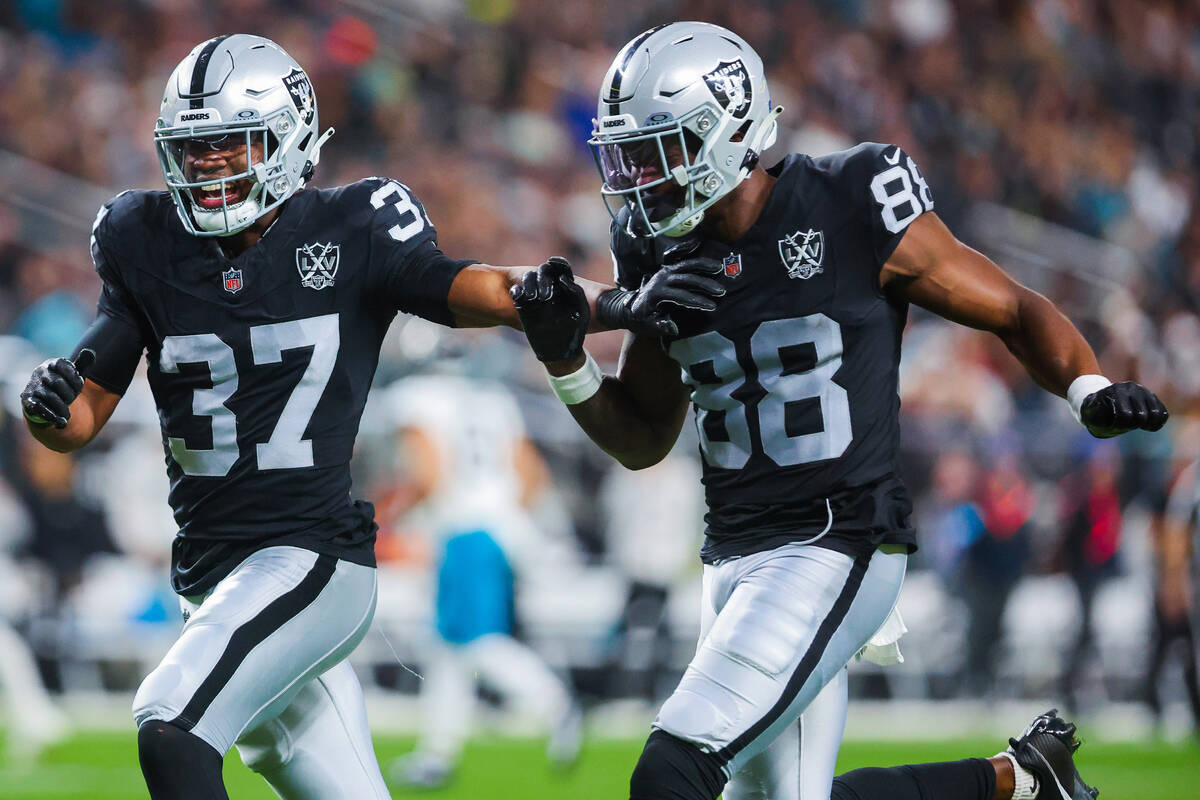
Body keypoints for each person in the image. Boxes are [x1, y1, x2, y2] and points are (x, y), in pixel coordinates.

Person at [16, 34, 717, 800]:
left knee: (170, 720)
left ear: (287, 139)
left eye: (228, 143)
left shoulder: (353, 226)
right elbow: (82, 416)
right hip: (211, 577)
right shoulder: (141, 239)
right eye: (194, 148)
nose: (209, 164)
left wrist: (613, 303)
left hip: (308, 558)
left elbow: (473, 287)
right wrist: (52, 402)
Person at [510, 21, 1167, 800]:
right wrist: (566, 361)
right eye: (629, 156)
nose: (641, 179)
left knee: (669, 774)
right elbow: (645, 436)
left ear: (728, 129)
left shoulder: (851, 198)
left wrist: (1086, 389)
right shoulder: (655, 246)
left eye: (659, 152)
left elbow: (1012, 308)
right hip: (732, 555)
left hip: (838, 536)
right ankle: (1021, 778)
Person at [381, 367, 581, 787]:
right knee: (447, 648)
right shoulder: (492, 397)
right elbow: (531, 472)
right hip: (501, 529)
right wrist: (505, 516)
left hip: (463, 530)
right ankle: (438, 755)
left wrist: (393, 518)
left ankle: (554, 703)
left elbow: (427, 472)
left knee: (474, 641)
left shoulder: (416, 396)